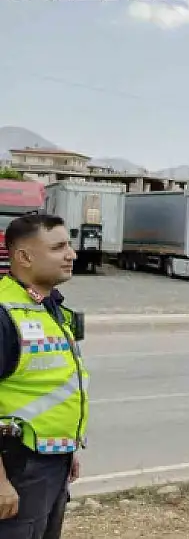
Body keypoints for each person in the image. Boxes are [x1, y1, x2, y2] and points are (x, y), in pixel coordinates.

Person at [0, 214, 88, 539]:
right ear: (24, 257)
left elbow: (47, 388)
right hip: (17, 467)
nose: (72, 254)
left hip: (50, 463)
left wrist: (66, 450)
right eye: (58, 247)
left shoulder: (48, 307)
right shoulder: (5, 312)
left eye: (69, 244)